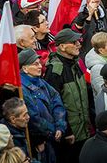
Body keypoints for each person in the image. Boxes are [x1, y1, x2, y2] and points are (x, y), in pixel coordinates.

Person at [44, 29, 91, 159]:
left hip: (84, 129)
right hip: (70, 135)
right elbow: (55, 104)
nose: (78, 44)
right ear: (62, 46)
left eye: (78, 41)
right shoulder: (54, 71)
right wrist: (67, 131)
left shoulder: (76, 64)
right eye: (74, 42)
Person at [19, 49, 66, 162]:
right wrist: (53, 130)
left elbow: (56, 101)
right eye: (35, 64)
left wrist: (60, 125)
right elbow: (33, 117)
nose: (40, 66)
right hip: (42, 140)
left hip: (52, 136)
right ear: (25, 68)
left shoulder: (41, 82)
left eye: (39, 63)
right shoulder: (22, 89)